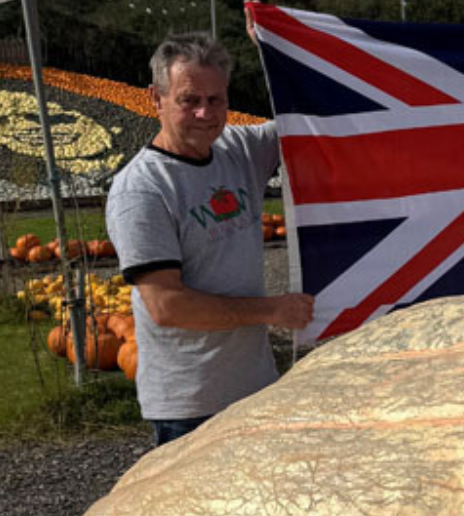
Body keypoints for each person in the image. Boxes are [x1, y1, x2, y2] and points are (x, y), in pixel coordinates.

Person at [106, 31, 314, 446]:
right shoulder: (142, 190)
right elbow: (167, 306)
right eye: (189, 100)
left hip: (256, 388)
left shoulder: (238, 148)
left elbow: (309, 120)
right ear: (156, 98)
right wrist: (272, 310)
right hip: (191, 405)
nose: (205, 113)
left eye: (216, 99)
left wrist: (276, 45)